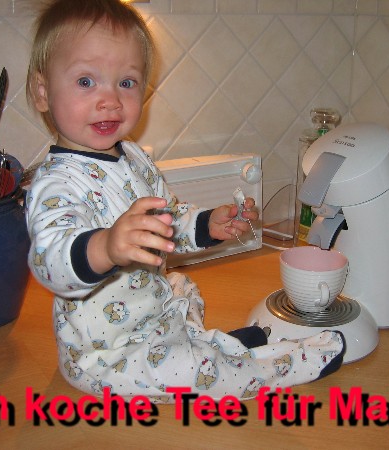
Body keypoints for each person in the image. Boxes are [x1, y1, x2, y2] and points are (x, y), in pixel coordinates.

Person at [25, 0, 344, 402]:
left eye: (127, 82)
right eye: (86, 81)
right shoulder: (55, 183)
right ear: (42, 92)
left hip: (152, 313)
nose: (110, 100)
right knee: (197, 373)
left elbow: (168, 219)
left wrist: (207, 225)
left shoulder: (133, 155)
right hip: (107, 356)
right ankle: (282, 363)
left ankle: (210, 345)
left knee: (181, 286)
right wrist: (105, 247)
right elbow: (50, 260)